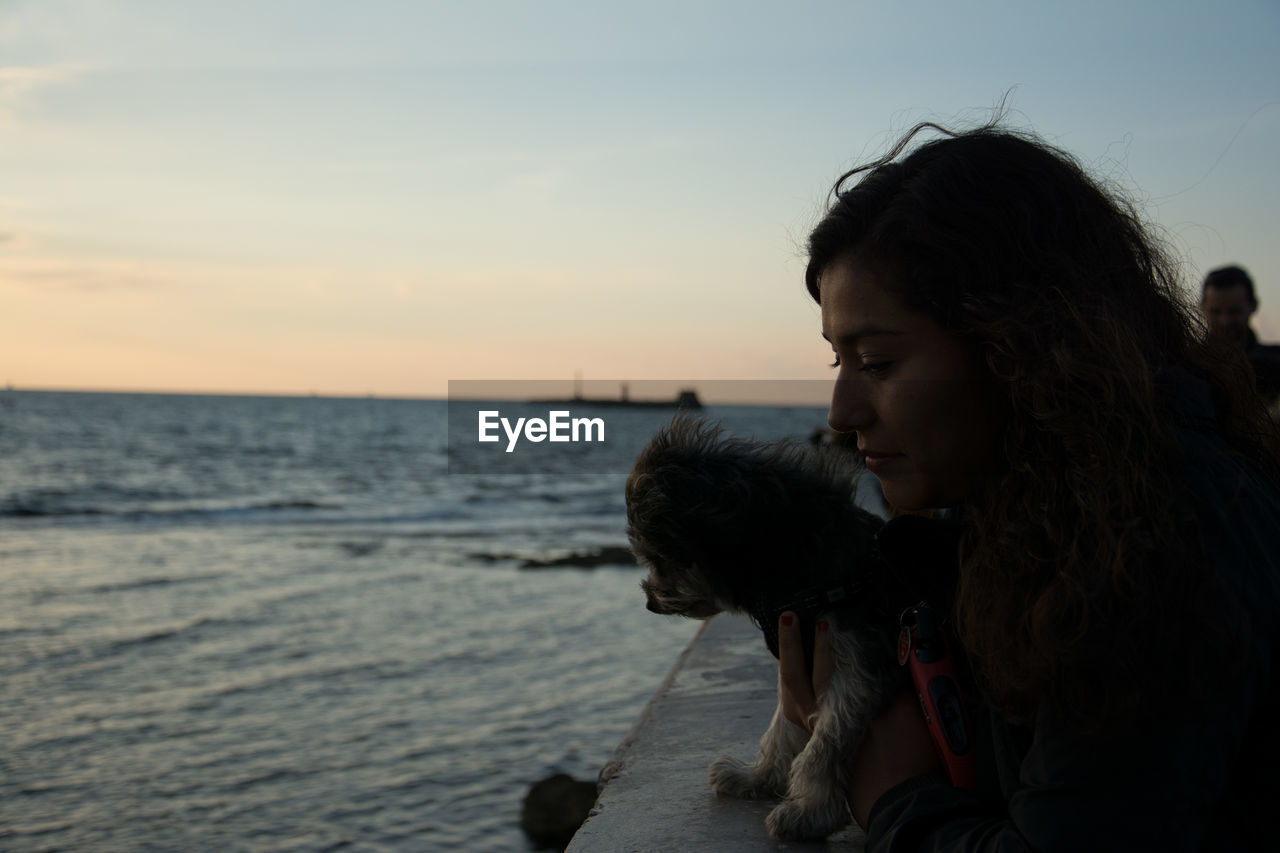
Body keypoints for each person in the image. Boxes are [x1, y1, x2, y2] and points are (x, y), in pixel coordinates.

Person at [778, 123, 1280, 851]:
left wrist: (893, 795)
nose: (841, 413)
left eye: (878, 362)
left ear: (1018, 345)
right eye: (839, 363)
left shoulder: (1150, 542)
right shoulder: (1067, 507)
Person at [1200, 265, 1280, 405]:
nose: (1225, 321)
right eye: (1216, 312)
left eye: (1234, 312)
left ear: (1254, 305)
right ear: (1202, 307)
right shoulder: (1187, 365)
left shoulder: (1275, 363)